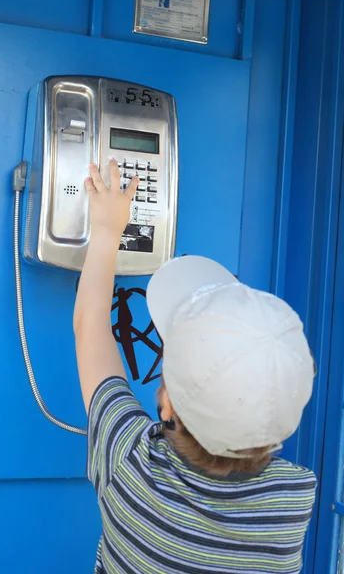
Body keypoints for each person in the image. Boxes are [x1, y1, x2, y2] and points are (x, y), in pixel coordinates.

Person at [73, 159, 317, 574]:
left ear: (165, 406)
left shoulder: (130, 465)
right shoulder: (293, 499)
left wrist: (108, 230)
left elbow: (89, 326)